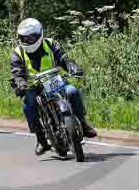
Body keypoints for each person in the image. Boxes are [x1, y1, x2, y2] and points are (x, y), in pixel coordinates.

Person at [10, 18, 97, 155]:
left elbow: (64, 59)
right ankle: (41, 140)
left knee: (72, 91)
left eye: (32, 37)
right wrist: (21, 83)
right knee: (28, 105)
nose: (28, 41)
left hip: (54, 82)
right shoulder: (17, 52)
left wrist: (72, 67)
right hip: (33, 86)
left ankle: (83, 124)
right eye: (24, 38)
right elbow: (16, 72)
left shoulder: (51, 44)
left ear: (39, 34)